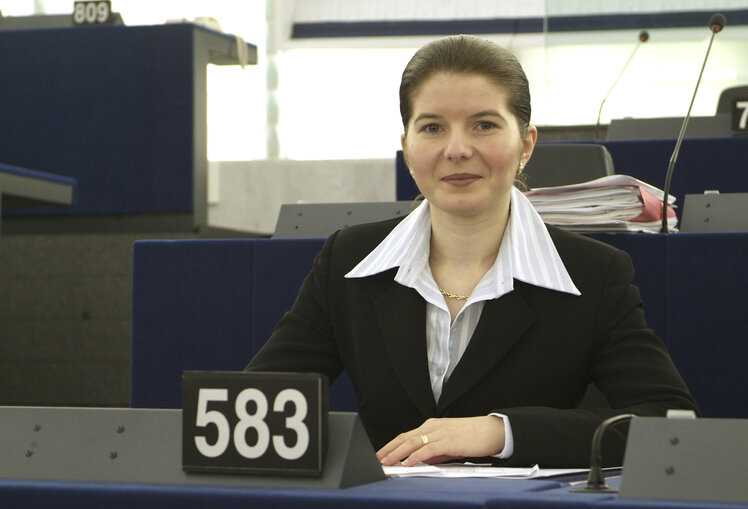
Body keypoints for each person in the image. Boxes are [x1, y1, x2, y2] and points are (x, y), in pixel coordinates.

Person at [246, 34, 698, 468]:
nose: (457, 150)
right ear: (406, 148)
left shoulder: (592, 273)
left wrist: (500, 433)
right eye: (432, 127)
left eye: (484, 125)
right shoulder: (349, 261)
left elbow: (668, 423)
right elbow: (252, 409)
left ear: (525, 145)